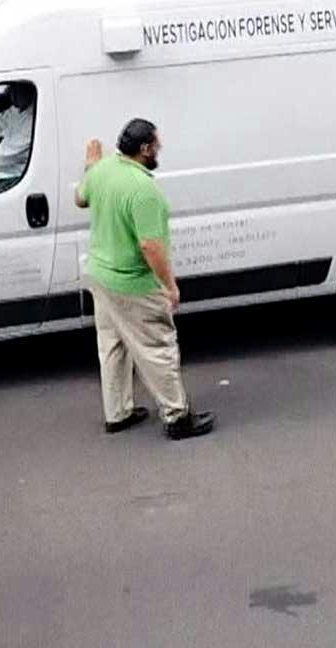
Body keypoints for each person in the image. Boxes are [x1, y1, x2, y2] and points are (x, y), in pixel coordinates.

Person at [73, 119, 215, 441]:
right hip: (132, 284)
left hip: (100, 275)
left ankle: (118, 413)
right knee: (157, 346)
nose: (159, 150)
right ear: (145, 149)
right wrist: (170, 286)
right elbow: (150, 247)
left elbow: (80, 200)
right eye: (157, 146)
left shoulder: (102, 169)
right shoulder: (143, 191)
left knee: (111, 346)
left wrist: (90, 168)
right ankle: (177, 416)